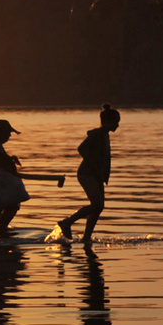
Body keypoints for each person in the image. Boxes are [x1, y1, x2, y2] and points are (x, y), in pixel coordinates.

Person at [58, 104, 121, 243]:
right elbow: (81, 148)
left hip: (96, 175)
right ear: (108, 122)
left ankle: (86, 237)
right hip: (86, 174)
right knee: (96, 205)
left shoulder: (105, 135)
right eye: (116, 122)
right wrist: (93, 163)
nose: (117, 125)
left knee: (99, 207)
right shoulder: (98, 134)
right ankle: (67, 222)